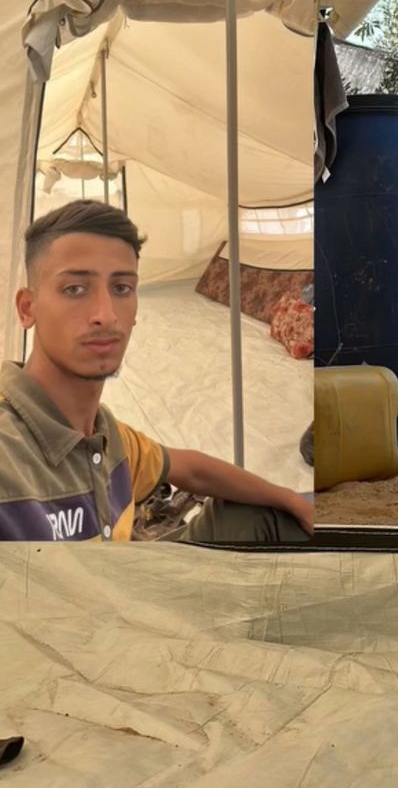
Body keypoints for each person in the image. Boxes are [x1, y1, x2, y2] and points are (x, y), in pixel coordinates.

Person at [0, 200, 313, 543]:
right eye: (75, 289)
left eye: (121, 288)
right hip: (110, 593)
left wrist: (291, 499)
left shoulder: (108, 440)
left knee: (265, 514)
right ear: (27, 308)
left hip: (129, 579)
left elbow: (193, 470)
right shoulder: (10, 453)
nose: (105, 314)